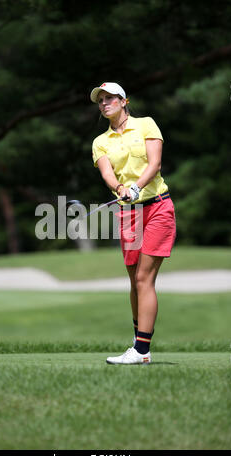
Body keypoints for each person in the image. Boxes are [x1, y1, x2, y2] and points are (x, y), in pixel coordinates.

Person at [90, 82, 176, 365]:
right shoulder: (100, 142)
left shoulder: (146, 125)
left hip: (157, 208)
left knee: (144, 278)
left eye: (110, 98)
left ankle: (141, 351)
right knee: (133, 279)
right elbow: (108, 174)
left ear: (124, 101)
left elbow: (155, 165)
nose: (104, 103)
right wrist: (119, 188)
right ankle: (138, 341)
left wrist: (137, 186)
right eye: (100, 100)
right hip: (129, 214)